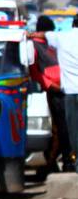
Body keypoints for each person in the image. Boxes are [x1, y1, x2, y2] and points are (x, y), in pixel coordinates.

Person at [31, 16, 70, 171]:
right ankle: (52, 162)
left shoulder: (53, 44)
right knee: (57, 128)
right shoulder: (34, 46)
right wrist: (49, 84)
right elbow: (34, 72)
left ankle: (64, 158)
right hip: (49, 92)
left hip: (66, 89)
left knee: (65, 126)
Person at [44, 14, 78, 172]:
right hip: (70, 93)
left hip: (71, 93)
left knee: (73, 130)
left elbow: (41, 35)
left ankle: (76, 162)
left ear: (73, 24)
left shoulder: (61, 37)